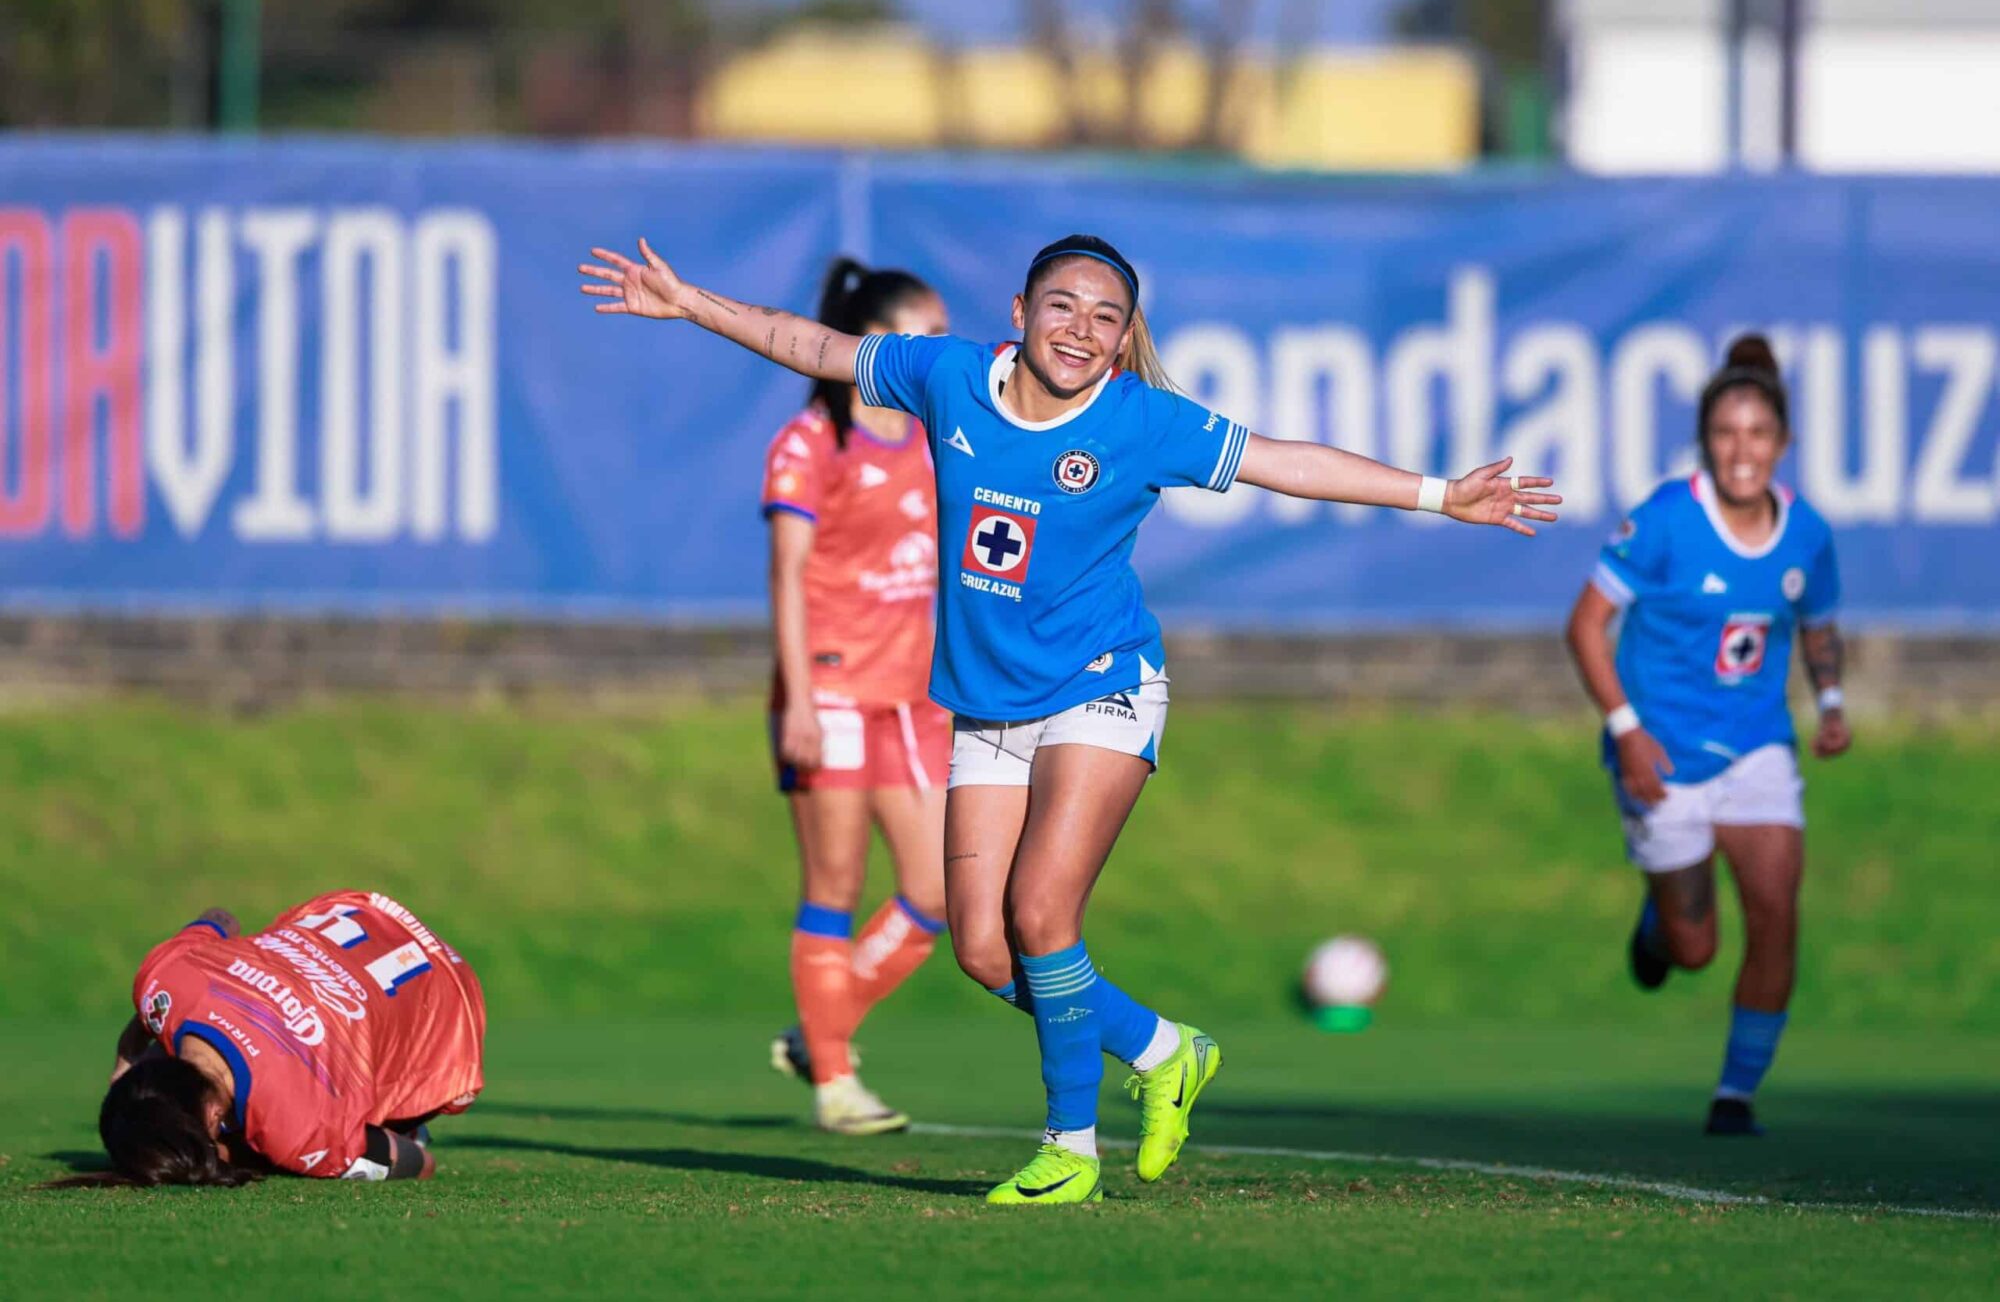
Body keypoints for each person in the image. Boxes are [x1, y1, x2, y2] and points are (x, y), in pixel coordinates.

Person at [579, 231, 1558, 1205]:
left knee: (1042, 912)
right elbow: (814, 347)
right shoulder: (948, 375)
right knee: (980, 947)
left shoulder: (1141, 421)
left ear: (1125, 337)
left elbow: (1283, 462)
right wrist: (691, 302)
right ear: (1018, 311)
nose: (1080, 328)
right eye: (1062, 305)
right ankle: (1162, 1048)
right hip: (987, 704)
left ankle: (1069, 1146)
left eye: (1104, 315)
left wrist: (1440, 495)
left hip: (1103, 684)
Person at [1565, 334, 1848, 1137]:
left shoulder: (1807, 535)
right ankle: (1660, 930)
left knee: (1777, 914)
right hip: (1663, 753)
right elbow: (1586, 626)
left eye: (1758, 434)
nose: (1742, 451)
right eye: (1727, 433)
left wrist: (1830, 700)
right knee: (1694, 948)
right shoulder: (1664, 521)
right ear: (1705, 441)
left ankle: (1734, 1096)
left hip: (1759, 746)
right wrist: (1624, 731)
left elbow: (1818, 624)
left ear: (1782, 445)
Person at [762, 258, 952, 1135]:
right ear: (879, 344)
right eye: (932, 335)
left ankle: (819, 1028)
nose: (948, 353)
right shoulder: (812, 441)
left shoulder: (930, 434)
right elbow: (789, 576)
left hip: (912, 699)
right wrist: (798, 699)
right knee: (834, 883)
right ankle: (836, 1083)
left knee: (939, 890)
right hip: (832, 693)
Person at [94, 889, 485, 1185]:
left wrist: (248, 1155)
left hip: (445, 996)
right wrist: (125, 1055)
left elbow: (419, 1161)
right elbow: (221, 918)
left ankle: (393, 1116)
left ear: (213, 1116)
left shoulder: (299, 1131)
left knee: (391, 1120)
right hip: (359, 913)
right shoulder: (165, 979)